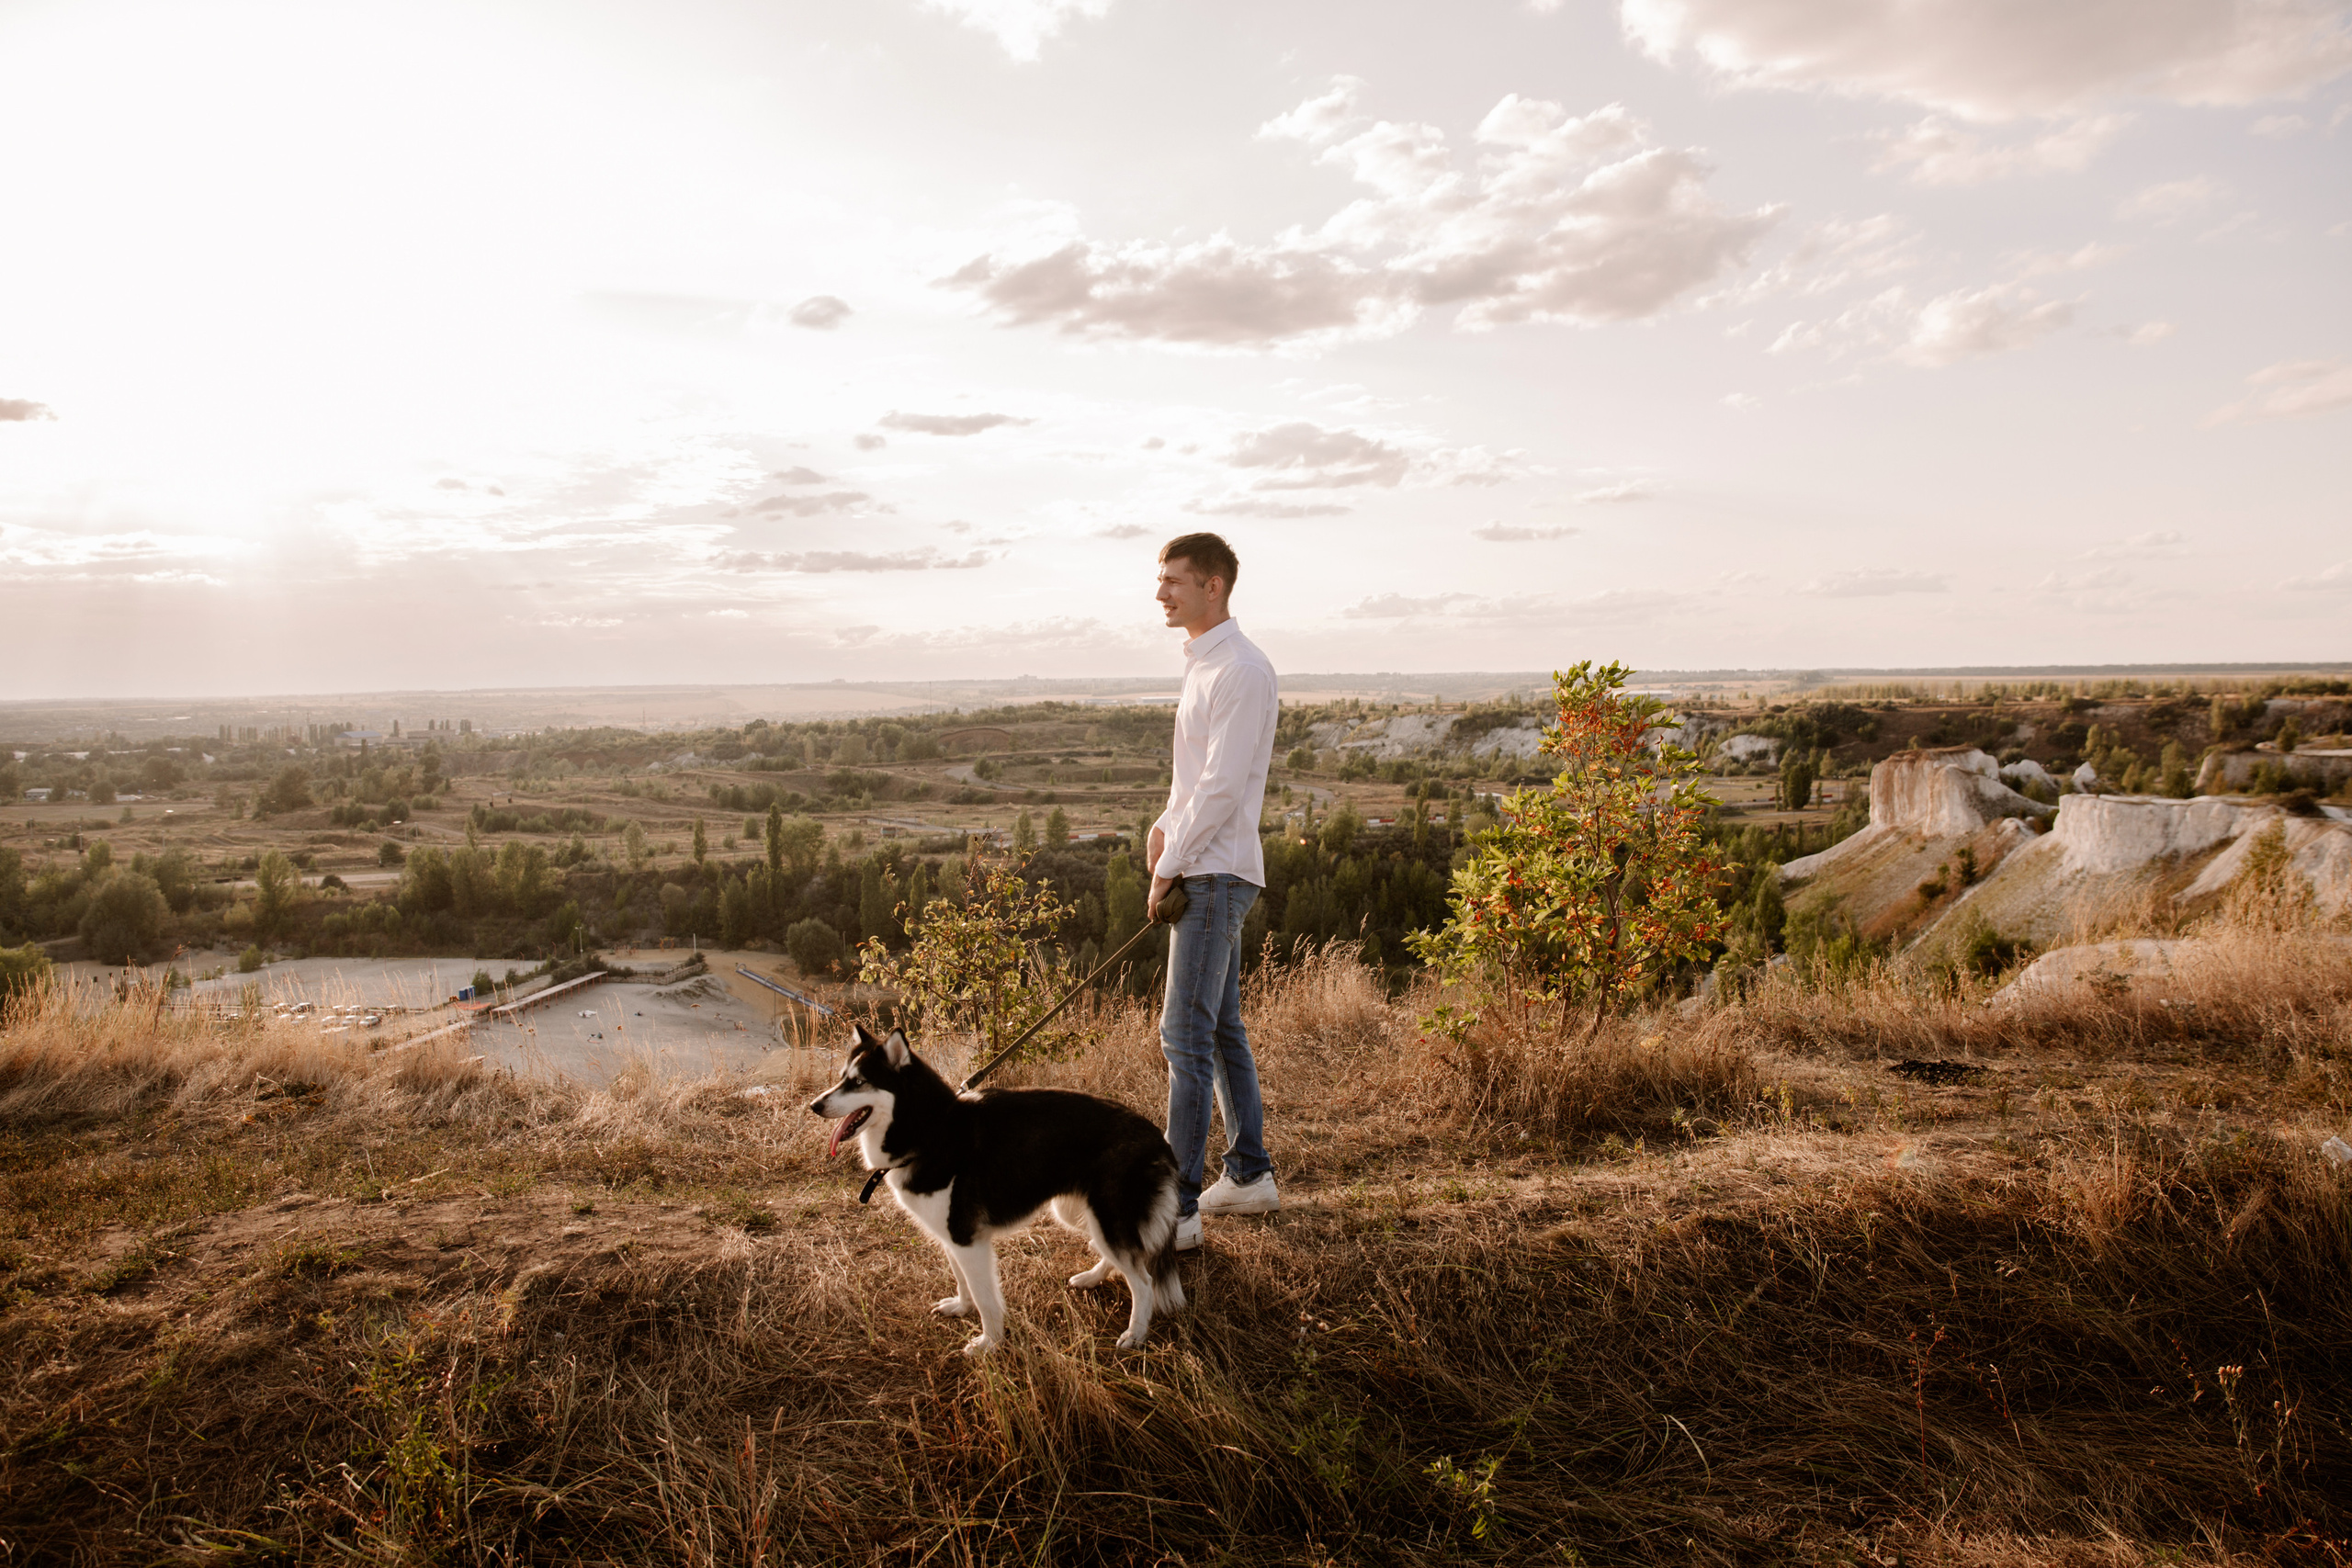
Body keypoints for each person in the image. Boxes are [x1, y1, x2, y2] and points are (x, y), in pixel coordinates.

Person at [1147, 532, 1281, 1250]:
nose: (1161, 592)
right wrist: (1163, 828)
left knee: (1184, 1036)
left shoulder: (1241, 670)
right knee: (1221, 1027)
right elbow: (1195, 780)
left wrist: (1172, 863)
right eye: (1161, 579)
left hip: (1216, 871)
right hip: (1206, 862)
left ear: (1214, 586)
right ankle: (1250, 1174)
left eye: (1174, 580)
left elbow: (1224, 787)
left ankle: (1179, 1210)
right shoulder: (1205, 664)